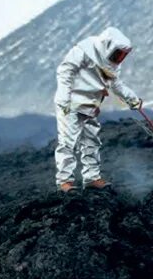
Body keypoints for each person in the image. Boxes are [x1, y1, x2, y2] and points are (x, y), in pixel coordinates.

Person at [53, 26, 142, 192]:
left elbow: (115, 83)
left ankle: (91, 177)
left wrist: (132, 99)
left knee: (91, 142)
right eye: (118, 53)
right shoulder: (85, 50)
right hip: (71, 104)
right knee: (68, 142)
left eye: (123, 55)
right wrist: (64, 98)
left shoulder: (111, 65)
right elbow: (65, 71)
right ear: (108, 45)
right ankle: (64, 181)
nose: (119, 58)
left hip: (90, 106)